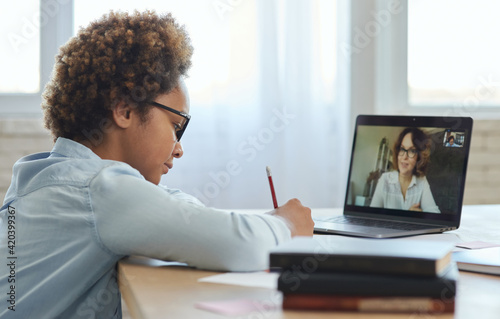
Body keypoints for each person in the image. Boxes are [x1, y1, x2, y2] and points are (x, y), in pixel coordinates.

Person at [0, 11, 313, 318]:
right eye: (176, 126)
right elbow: (238, 245)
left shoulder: (41, 175)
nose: (178, 150)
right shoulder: (99, 190)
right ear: (124, 110)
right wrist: (286, 224)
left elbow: (182, 215)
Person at [370, 127, 440, 213]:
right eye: (402, 149)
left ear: (419, 157)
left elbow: (434, 213)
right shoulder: (385, 179)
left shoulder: (422, 181)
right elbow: (372, 218)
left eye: (412, 151)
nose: (404, 157)